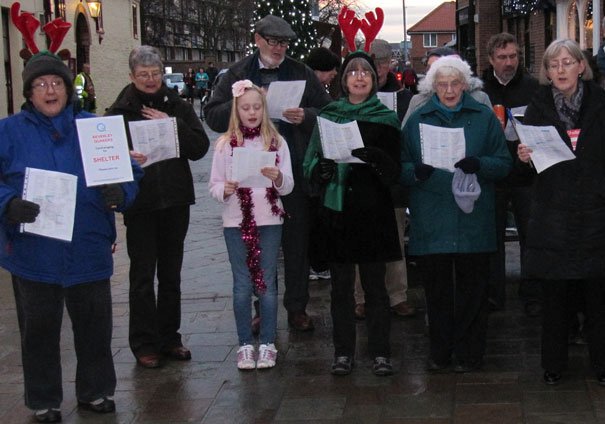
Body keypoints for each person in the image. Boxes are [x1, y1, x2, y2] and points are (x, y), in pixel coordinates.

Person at [0, 51, 141, 422]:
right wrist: (7, 203)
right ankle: (43, 400)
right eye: (41, 85)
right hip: (34, 251)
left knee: (94, 327)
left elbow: (129, 173)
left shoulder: (94, 129)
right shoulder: (8, 131)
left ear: (68, 89)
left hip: (88, 246)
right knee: (39, 331)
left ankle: (95, 392)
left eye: (57, 83)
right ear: (29, 93)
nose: (50, 90)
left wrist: (120, 193)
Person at [204, 15, 332, 331]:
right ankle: (264, 307)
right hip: (252, 177)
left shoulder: (301, 72)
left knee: (297, 243)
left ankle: (297, 308)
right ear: (258, 39)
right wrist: (245, 103)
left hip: (293, 171)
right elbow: (213, 116)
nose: (279, 48)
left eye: (284, 43)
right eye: (273, 42)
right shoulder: (236, 73)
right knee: (260, 245)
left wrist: (307, 115)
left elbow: (329, 109)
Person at [401, 56, 511, 373]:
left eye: (455, 83)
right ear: (432, 86)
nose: (449, 90)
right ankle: (440, 353)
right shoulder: (418, 119)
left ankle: (470, 353)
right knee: (436, 293)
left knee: (473, 293)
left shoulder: (483, 117)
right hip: (432, 217)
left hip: (472, 216)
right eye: (442, 84)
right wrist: (416, 172)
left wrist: (481, 164)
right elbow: (401, 167)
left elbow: (503, 164)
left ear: (465, 84)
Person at [105, 46, 210, 369]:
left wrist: (172, 124)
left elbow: (199, 148)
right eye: (142, 75)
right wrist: (126, 158)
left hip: (175, 200)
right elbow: (106, 158)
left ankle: (170, 338)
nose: (150, 80)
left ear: (161, 72)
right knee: (141, 276)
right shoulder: (118, 112)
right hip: (140, 203)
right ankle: (144, 343)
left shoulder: (177, 105)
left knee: (171, 274)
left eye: (154, 74)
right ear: (131, 76)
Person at [303, 50, 401, 376]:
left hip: (373, 212)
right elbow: (311, 161)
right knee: (341, 290)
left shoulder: (385, 117)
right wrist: (323, 169)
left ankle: (381, 352)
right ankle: (343, 352)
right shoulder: (329, 114)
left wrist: (376, 158)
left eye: (366, 73)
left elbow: (396, 168)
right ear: (343, 80)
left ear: (374, 80)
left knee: (376, 288)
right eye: (352, 72)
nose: (359, 77)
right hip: (338, 211)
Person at [517, 39, 605, 386]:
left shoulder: (601, 104)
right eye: (554, 65)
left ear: (581, 67)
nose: (561, 70)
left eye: (568, 63)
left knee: (598, 297)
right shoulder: (536, 108)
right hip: (553, 215)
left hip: (595, 214)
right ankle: (553, 365)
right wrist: (523, 158)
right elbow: (524, 172)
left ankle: (601, 365)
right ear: (547, 72)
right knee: (555, 299)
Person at [209, 80, 294, 370]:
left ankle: (268, 342)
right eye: (246, 108)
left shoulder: (277, 141)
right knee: (242, 285)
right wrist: (227, 189)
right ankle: (245, 343)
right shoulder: (225, 145)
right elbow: (214, 185)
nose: (252, 112)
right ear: (237, 110)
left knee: (266, 284)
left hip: (270, 220)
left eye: (257, 107)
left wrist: (277, 178)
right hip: (236, 221)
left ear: (264, 109)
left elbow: (288, 185)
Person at [353, 38, 415, 320]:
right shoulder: (354, 96)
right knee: (360, 240)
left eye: (381, 62)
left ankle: (397, 295)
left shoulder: (404, 98)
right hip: (362, 179)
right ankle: (361, 296)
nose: (376, 68)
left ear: (389, 63)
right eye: (372, 62)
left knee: (395, 238)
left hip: (392, 180)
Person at [481, 33, 540, 315]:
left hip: (526, 174)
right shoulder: (480, 90)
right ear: (491, 59)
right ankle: (494, 294)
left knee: (531, 234)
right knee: (492, 236)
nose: (509, 62)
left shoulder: (533, 88)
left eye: (514, 56)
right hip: (493, 174)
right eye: (503, 57)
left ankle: (532, 294)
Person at [304, 46, 341, 281]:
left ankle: (316, 263)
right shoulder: (314, 91)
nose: (334, 75)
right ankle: (317, 264)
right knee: (315, 218)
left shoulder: (316, 90)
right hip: (313, 165)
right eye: (331, 71)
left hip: (316, 163)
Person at [401, 47, 492, 127]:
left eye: (435, 67)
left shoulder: (479, 99)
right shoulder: (418, 101)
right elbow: (406, 133)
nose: (430, 72)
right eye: (429, 68)